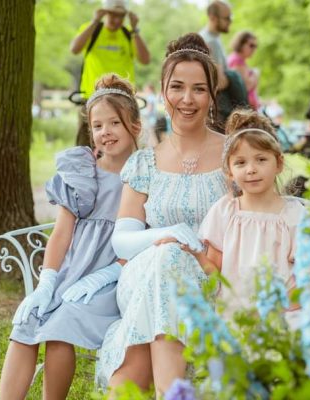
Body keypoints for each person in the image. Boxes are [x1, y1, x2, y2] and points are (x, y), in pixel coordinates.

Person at [95, 33, 229, 397]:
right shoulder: (145, 161)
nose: (188, 99)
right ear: (163, 91)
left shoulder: (234, 155)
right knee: (167, 260)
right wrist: (166, 236)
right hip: (146, 271)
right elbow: (123, 240)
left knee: (163, 290)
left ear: (212, 95)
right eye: (178, 87)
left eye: (199, 89)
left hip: (211, 277)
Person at [0, 74, 141, 400]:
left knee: (62, 326)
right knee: (28, 322)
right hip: (71, 271)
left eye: (115, 123)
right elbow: (61, 234)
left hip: (113, 278)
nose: (106, 132)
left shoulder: (145, 174)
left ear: (135, 125)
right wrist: (47, 282)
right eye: (98, 125)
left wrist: (107, 275)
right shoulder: (82, 171)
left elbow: (140, 236)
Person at [180, 109, 303, 324]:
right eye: (240, 163)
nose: (251, 170)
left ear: (279, 163)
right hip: (235, 318)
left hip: (282, 315)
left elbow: (303, 278)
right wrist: (196, 255)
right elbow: (214, 272)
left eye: (261, 159)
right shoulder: (225, 211)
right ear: (229, 170)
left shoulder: (293, 214)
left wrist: (279, 310)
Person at [70, 0, 150, 147]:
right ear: (105, 13)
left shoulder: (128, 34)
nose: (117, 20)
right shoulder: (93, 30)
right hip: (90, 99)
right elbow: (74, 49)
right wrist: (95, 21)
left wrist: (135, 30)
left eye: (121, 16)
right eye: (113, 15)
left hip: (122, 101)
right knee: (84, 148)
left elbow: (145, 59)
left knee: (124, 147)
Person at [199, 1, 249, 126]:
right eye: (227, 18)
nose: (230, 21)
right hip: (220, 112)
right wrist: (235, 77)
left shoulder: (214, 38)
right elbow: (218, 83)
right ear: (212, 17)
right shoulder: (210, 42)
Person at [227, 30, 260, 110]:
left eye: (255, 46)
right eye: (251, 45)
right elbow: (245, 87)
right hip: (244, 110)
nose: (253, 49)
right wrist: (255, 75)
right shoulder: (236, 61)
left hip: (247, 109)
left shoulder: (240, 61)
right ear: (241, 44)